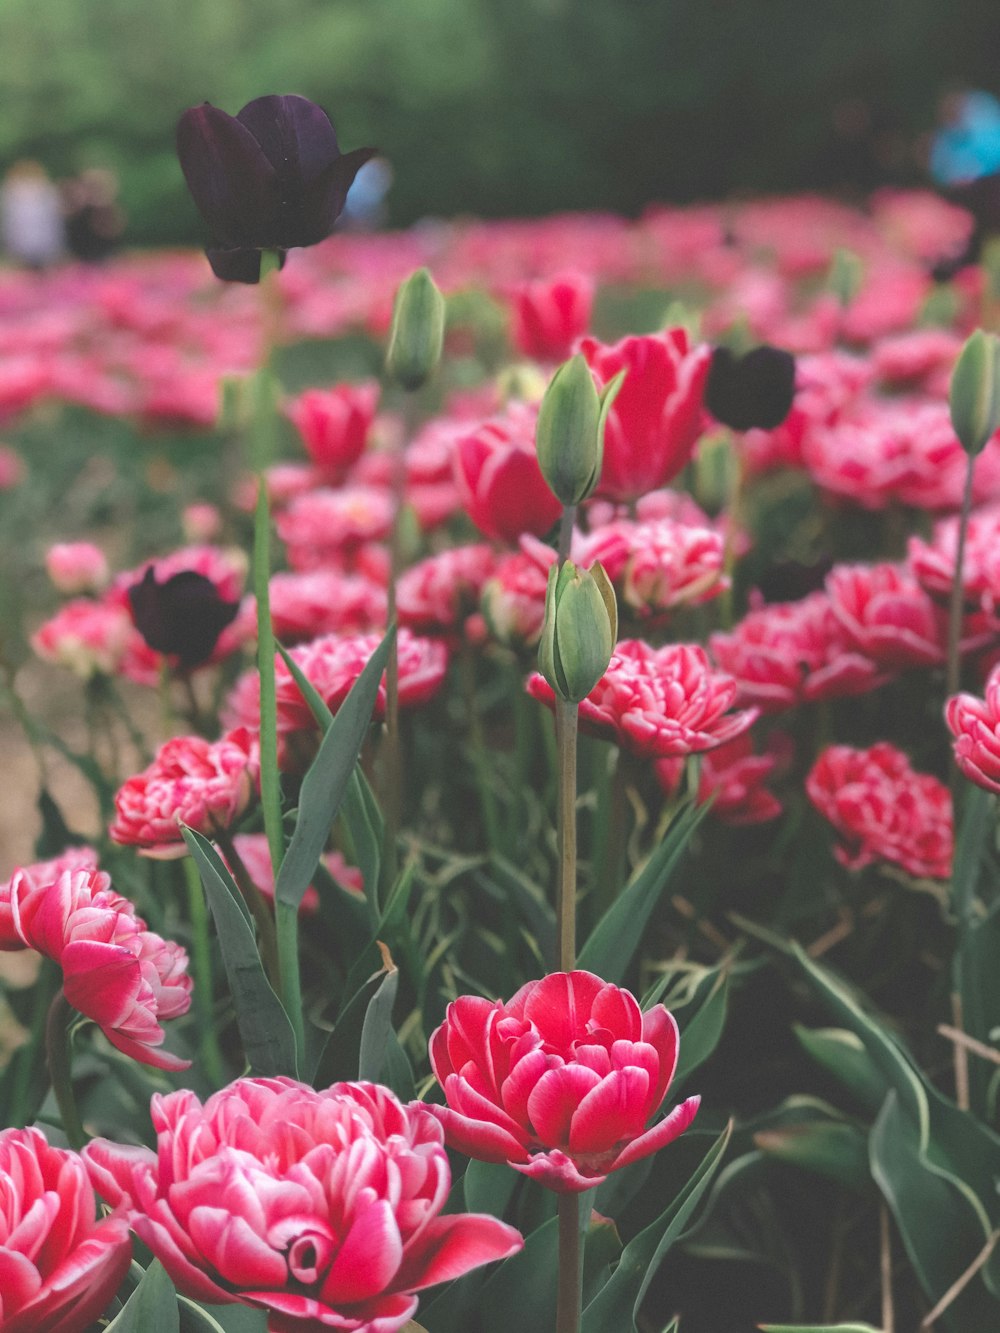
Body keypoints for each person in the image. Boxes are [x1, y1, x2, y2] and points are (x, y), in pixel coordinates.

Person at [0, 160, 65, 268]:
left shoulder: (47, 192)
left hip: (42, 240)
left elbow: (54, 222)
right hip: (22, 240)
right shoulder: (10, 193)